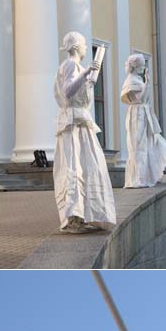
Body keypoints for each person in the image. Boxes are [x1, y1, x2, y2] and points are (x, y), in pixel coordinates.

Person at [54, 31, 116, 233]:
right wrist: (86, 72)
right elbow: (68, 92)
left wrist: (89, 78)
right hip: (73, 125)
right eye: (83, 45)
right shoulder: (71, 65)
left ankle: (82, 215)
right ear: (76, 46)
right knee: (75, 168)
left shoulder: (75, 66)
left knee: (86, 167)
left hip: (79, 124)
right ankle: (74, 218)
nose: (86, 49)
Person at [121, 54, 166, 188]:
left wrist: (146, 83)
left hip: (143, 114)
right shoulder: (131, 81)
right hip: (136, 115)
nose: (144, 68)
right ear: (136, 66)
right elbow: (141, 98)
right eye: (142, 66)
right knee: (138, 146)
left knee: (149, 143)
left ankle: (149, 175)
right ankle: (139, 178)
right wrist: (147, 83)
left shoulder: (137, 79)